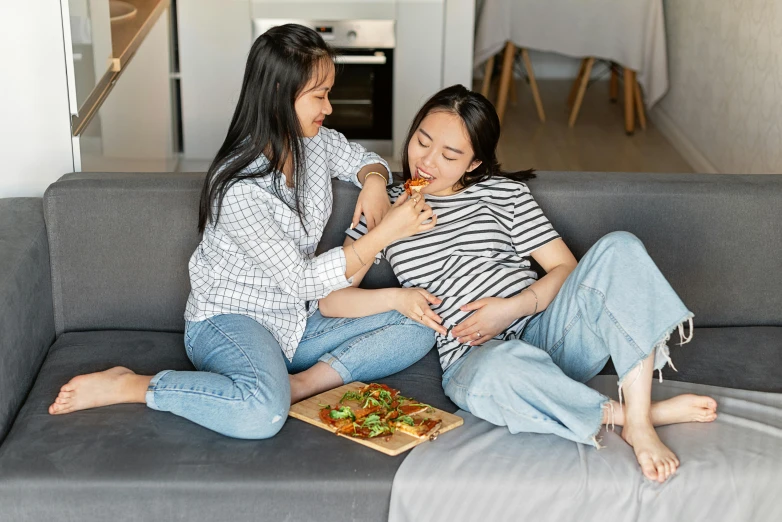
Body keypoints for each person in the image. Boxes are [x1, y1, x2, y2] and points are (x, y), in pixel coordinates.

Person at [48, 24, 443, 439]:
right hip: (232, 321)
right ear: (278, 92)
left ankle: (301, 385)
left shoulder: (314, 142)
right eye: (319, 95)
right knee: (260, 414)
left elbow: (363, 158)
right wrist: (386, 233)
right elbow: (300, 279)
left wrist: (377, 184)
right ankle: (131, 384)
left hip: (297, 323)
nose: (328, 105)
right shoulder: (239, 187)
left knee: (418, 323)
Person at [319, 85, 718, 483]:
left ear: (474, 163)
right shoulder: (384, 207)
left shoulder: (504, 194)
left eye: (450, 155)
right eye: (422, 142)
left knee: (620, 247)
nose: (426, 161)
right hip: (473, 357)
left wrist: (514, 307)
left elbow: (565, 268)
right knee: (499, 369)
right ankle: (631, 415)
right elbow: (331, 302)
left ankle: (639, 422)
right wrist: (397, 292)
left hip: (547, 334)